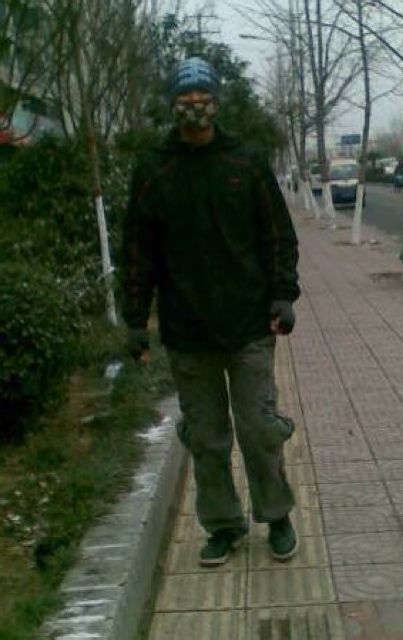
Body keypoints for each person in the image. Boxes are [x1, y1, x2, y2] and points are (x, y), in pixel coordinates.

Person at [121, 57, 301, 567]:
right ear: (172, 106)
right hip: (187, 331)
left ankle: (277, 515)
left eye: (203, 99)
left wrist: (283, 295)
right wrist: (135, 320)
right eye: (185, 100)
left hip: (249, 325)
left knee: (259, 429)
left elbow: (278, 236)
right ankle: (222, 525)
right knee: (206, 438)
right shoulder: (154, 170)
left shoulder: (246, 162)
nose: (195, 107)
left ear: (217, 103)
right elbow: (138, 252)